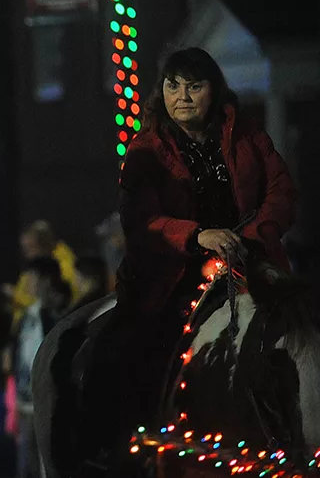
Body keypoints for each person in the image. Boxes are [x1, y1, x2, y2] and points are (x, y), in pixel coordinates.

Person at [83, 47, 297, 473]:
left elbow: (281, 194)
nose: (182, 96)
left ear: (214, 91)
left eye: (194, 86)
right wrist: (199, 236)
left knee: (301, 334)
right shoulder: (146, 150)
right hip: (170, 273)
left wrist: (245, 239)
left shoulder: (249, 136)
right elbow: (140, 219)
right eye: (172, 86)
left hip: (249, 263)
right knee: (127, 346)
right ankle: (130, 446)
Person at [10, 257, 71, 478]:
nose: (28, 283)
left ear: (47, 280)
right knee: (28, 466)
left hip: (49, 403)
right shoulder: (30, 314)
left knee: (49, 465)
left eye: (33, 278)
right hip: (28, 403)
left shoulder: (61, 312)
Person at [9, 220, 80, 330]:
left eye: (31, 248)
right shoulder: (31, 270)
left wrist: (16, 296)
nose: (27, 255)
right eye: (24, 249)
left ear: (45, 245)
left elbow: (49, 302)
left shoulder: (64, 268)